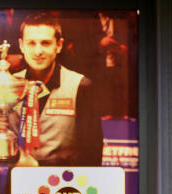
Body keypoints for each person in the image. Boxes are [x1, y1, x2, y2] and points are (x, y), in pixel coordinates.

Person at [11, 12, 103, 166]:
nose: (38, 51)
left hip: (64, 183)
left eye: (45, 43)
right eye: (31, 43)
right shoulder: (8, 85)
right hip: (18, 182)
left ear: (58, 45)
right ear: (21, 45)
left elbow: (92, 153)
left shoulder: (80, 86)